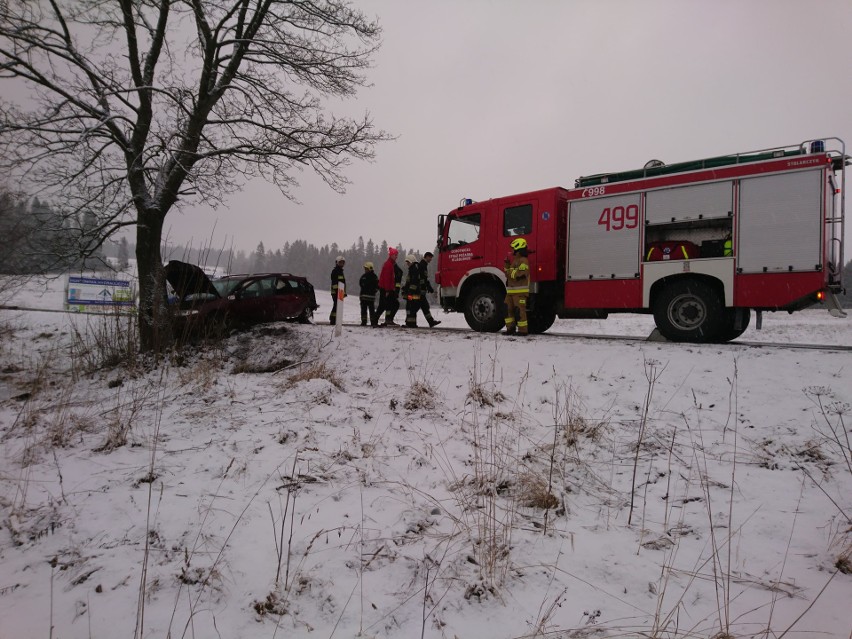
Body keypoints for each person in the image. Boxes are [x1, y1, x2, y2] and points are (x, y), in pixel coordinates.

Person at [503, 238, 530, 336]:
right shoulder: (515, 260)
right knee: (506, 309)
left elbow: (520, 274)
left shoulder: (523, 261)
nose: (512, 250)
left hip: (520, 292)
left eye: (513, 248)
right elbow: (508, 273)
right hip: (510, 292)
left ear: (518, 248)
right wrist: (506, 264)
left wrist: (510, 271)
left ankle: (523, 331)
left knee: (519, 311)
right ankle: (510, 328)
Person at [376, 247, 401, 326]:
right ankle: (376, 320)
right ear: (391, 255)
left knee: (391, 304)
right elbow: (387, 278)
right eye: (395, 255)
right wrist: (387, 290)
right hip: (385, 289)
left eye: (397, 255)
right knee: (384, 305)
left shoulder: (390, 264)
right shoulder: (388, 264)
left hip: (388, 289)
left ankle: (388, 320)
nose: (396, 256)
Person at [417, 251, 441, 328]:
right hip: (420, 291)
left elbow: (424, 279)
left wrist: (428, 288)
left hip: (421, 291)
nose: (431, 259)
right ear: (426, 256)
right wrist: (428, 287)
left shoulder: (424, 265)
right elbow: (423, 279)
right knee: (420, 307)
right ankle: (409, 321)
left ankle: (431, 322)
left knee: (424, 307)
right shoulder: (422, 265)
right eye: (430, 257)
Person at [403, 254, 422, 327]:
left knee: (411, 307)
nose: (407, 264)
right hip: (413, 293)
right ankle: (410, 323)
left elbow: (413, 283)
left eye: (408, 262)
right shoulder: (413, 269)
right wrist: (405, 289)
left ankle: (410, 323)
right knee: (410, 307)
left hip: (413, 294)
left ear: (412, 261)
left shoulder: (414, 270)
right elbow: (409, 282)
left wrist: (410, 292)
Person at [358, 261, 379, 326]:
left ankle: (370, 321)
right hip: (366, 297)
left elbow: (377, 286)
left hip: (369, 297)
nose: (365, 270)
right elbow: (361, 284)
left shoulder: (368, 276)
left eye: (366, 269)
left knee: (370, 309)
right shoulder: (373, 276)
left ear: (370, 268)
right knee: (366, 309)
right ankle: (366, 321)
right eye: (365, 269)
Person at [329, 255, 346, 324]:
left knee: (338, 306)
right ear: (336, 263)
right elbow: (334, 283)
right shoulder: (335, 271)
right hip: (336, 292)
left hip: (340, 292)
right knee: (336, 305)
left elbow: (342, 283)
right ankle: (333, 320)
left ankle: (335, 319)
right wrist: (337, 291)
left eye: (342, 262)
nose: (341, 264)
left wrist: (343, 292)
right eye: (340, 262)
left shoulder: (341, 271)